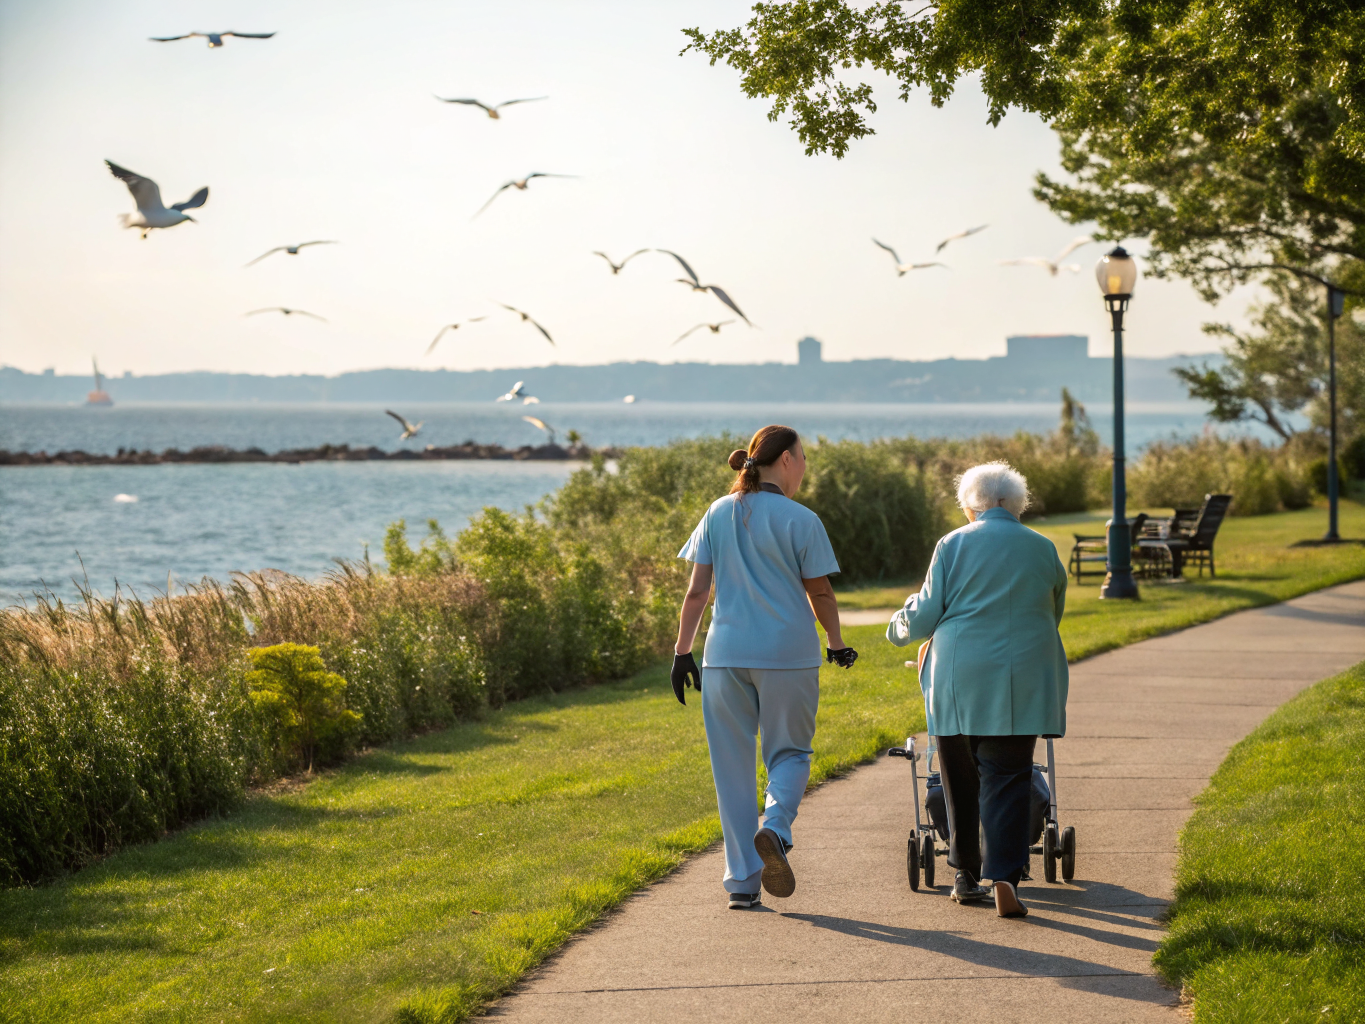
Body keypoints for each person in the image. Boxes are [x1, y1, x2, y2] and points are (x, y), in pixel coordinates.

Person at [672, 425, 859, 909]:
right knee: (790, 754)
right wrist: (836, 644)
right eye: (802, 458)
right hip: (786, 656)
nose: (803, 468)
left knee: (731, 769)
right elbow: (819, 592)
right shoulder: (802, 519)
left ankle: (741, 884)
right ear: (787, 462)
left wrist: (681, 652)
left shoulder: (717, 512)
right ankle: (774, 828)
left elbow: (697, 593)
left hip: (724, 657)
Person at [885, 462, 1068, 918]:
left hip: (958, 677)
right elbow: (1053, 609)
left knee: (959, 779)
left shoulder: (953, 543)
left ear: (971, 505)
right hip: (1022, 679)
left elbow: (925, 614)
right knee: (1008, 778)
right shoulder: (1043, 548)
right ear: (1017, 504)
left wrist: (898, 626)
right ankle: (1004, 875)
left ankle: (966, 875)